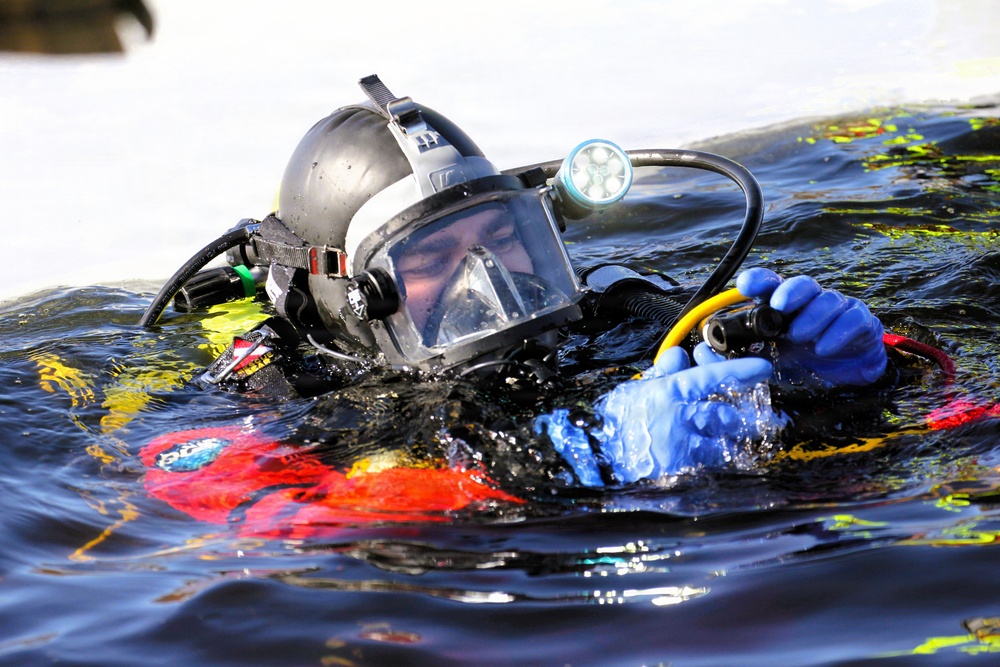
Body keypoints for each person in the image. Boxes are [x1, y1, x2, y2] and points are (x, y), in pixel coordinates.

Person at [140, 75, 894, 530]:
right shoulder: (282, 396)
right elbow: (243, 505)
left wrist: (846, 384)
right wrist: (578, 459)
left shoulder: (611, 317)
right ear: (347, 301)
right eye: (434, 257)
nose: (486, 275)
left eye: (501, 237)